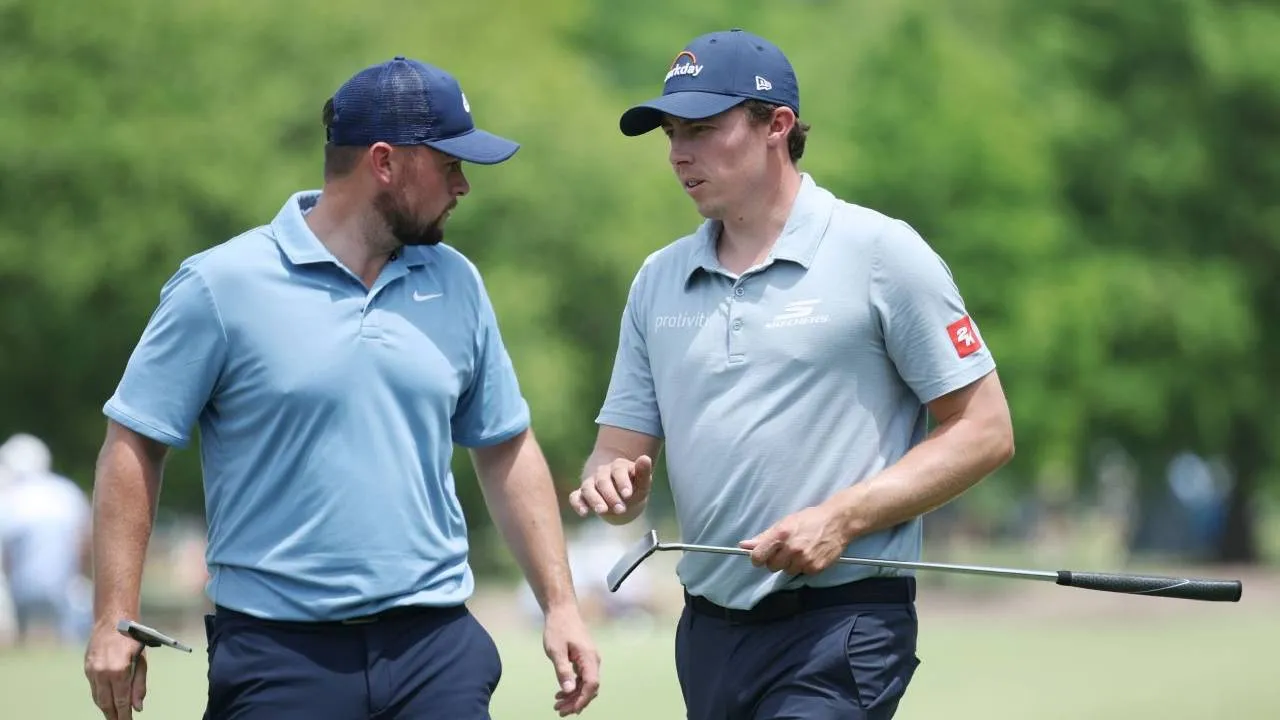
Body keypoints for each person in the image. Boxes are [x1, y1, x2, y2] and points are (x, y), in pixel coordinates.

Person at [83, 56, 600, 720]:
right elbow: (135, 442)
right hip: (280, 656)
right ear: (384, 162)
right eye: (449, 165)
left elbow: (504, 447)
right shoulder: (220, 286)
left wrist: (561, 605)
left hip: (434, 650)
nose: (464, 185)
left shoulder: (458, 282)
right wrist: (114, 617)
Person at [569, 28, 1015, 720]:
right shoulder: (658, 281)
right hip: (709, 633)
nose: (678, 153)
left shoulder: (880, 252)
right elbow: (618, 457)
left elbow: (985, 430)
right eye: (670, 134)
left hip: (844, 623)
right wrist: (612, 484)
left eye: (702, 129)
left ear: (776, 126)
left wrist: (844, 516)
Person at [0, 433, 93, 647]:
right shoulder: (67, 492)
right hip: (66, 587)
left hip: (21, 589)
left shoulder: (10, 498)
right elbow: (84, 544)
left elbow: (6, 556)